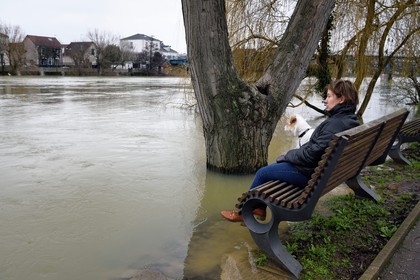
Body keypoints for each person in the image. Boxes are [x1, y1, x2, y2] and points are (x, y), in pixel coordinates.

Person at [221, 79, 360, 222]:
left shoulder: (334, 124)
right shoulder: (351, 121)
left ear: (341, 99)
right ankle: (259, 208)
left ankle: (243, 212)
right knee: (275, 167)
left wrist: (288, 155)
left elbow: (311, 155)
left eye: (329, 96)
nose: (325, 100)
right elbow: (316, 149)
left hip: (310, 177)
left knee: (262, 173)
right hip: (326, 175)